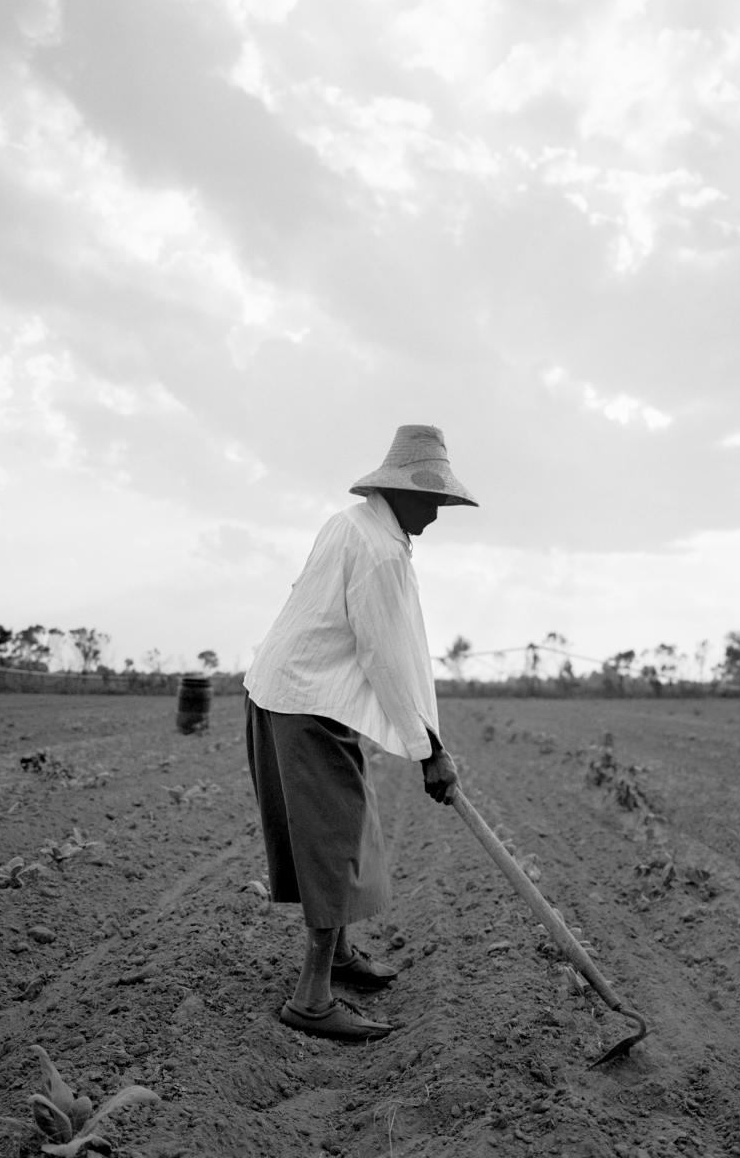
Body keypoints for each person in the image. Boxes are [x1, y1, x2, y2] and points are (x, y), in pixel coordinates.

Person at [242, 424, 478, 1042]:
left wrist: (431, 741)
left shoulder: (358, 525)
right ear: (397, 491)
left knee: (345, 826)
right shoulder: (376, 550)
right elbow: (387, 658)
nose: (437, 511)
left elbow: (391, 648)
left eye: (442, 499)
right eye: (430, 498)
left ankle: (341, 958)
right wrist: (430, 753)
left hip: (299, 692)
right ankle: (312, 998)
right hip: (303, 700)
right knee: (335, 843)